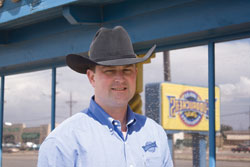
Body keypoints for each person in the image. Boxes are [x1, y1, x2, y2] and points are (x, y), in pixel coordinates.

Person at [37, 26, 173, 167]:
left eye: (127, 70)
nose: (120, 79)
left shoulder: (155, 132)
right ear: (92, 77)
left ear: (135, 74)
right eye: (109, 71)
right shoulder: (63, 142)